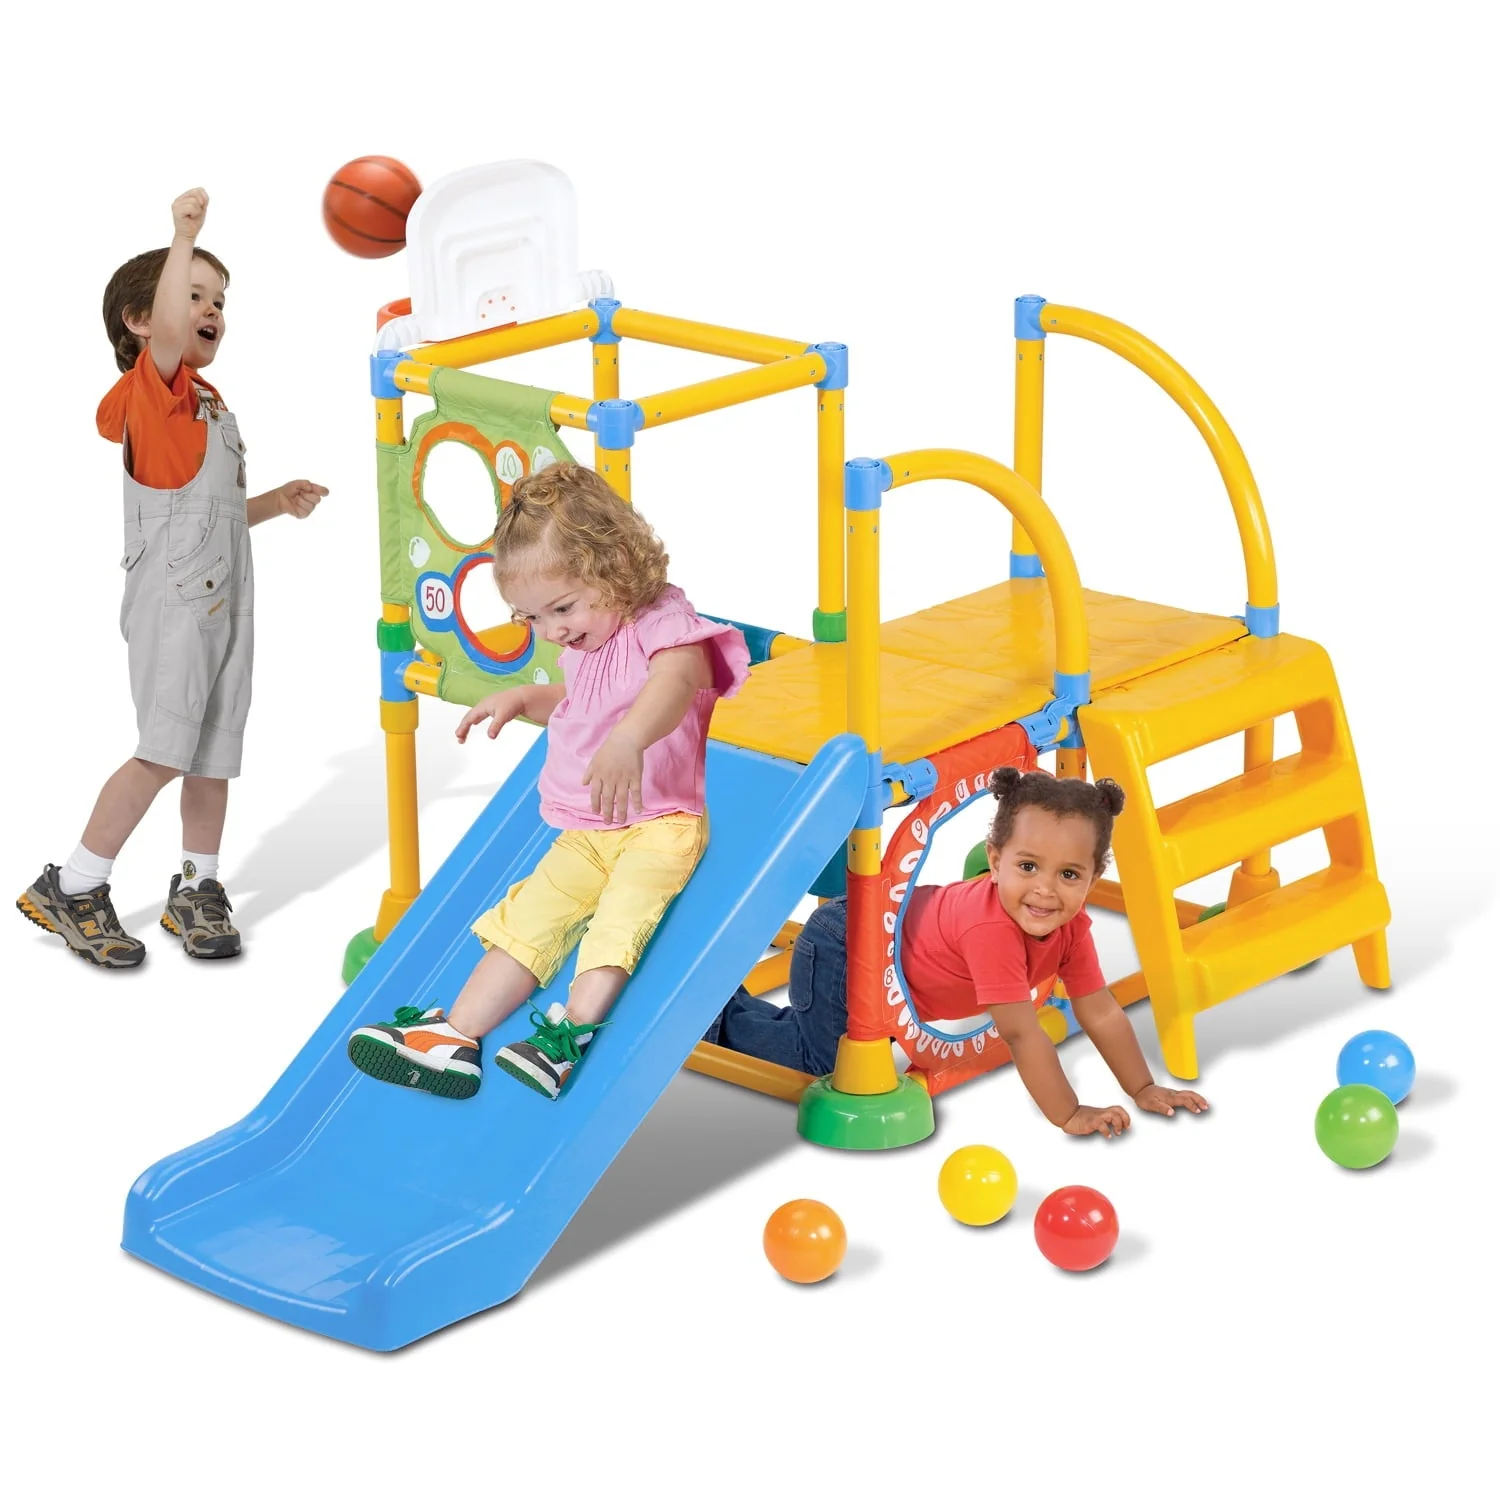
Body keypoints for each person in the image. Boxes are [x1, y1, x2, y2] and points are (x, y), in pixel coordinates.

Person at [348, 463, 750, 1101]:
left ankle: (566, 1040)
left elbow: (674, 684)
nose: (552, 630)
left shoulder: (664, 624)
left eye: (562, 608)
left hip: (660, 824)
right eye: (531, 618)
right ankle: (454, 1036)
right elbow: (583, 702)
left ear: (616, 565)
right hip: (589, 829)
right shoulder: (587, 641)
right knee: (527, 922)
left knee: (619, 923)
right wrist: (524, 697)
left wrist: (630, 740)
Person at [16, 189, 326, 966]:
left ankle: (196, 886)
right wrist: (182, 236)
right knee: (161, 750)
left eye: (220, 299)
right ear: (141, 321)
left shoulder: (209, 406)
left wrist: (275, 503)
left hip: (227, 604)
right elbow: (183, 526)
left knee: (214, 754)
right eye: (193, 294)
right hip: (175, 605)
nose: (212, 308)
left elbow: (209, 515)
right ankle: (74, 884)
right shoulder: (154, 394)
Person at [707, 767, 1209, 1137]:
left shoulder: (1072, 928)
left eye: (1069, 874)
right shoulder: (991, 930)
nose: (1045, 890)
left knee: (844, 1041)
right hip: (846, 942)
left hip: (889, 964)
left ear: (1093, 878)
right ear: (995, 860)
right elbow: (1020, 1032)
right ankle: (715, 1015)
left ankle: (735, 1005)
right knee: (824, 1062)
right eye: (1028, 867)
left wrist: (1143, 1087)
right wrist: (1069, 1112)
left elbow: (1100, 1011)